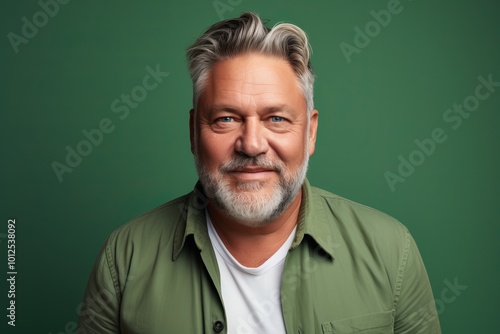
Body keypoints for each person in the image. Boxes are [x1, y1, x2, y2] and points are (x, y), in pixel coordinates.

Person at [78, 12, 441, 334]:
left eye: (276, 119)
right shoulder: (124, 259)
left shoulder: (393, 252)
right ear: (193, 132)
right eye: (226, 119)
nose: (251, 144)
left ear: (310, 132)